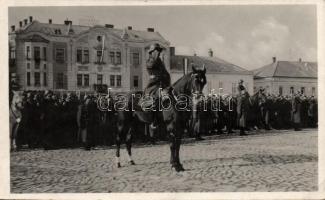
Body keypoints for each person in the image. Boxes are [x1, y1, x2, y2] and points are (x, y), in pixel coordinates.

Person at [141, 43, 171, 129]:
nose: (158, 52)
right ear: (152, 52)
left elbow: (165, 73)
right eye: (157, 50)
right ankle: (153, 120)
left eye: (159, 51)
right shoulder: (150, 60)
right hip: (153, 84)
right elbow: (151, 67)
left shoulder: (160, 61)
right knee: (156, 98)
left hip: (162, 84)